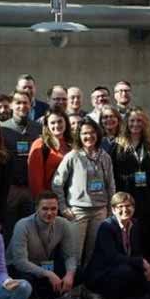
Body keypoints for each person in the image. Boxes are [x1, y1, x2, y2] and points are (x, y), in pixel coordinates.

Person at [52, 118, 115, 290]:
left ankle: (88, 289)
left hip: (100, 211)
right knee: (74, 254)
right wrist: (63, 207)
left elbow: (111, 184)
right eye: (85, 133)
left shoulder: (105, 157)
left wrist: (110, 211)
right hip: (77, 211)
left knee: (93, 254)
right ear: (79, 135)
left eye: (92, 132)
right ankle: (71, 291)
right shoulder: (72, 156)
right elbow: (57, 183)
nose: (89, 136)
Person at [81, 193, 150, 299]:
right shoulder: (107, 226)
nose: (125, 210)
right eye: (120, 206)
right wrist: (140, 263)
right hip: (102, 272)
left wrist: (146, 267)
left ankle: (122, 298)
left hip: (123, 266)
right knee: (125, 271)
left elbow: (137, 251)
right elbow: (112, 257)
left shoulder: (135, 224)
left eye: (129, 206)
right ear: (113, 209)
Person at [9, 192, 78, 299]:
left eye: (53, 209)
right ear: (36, 209)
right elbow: (20, 262)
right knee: (25, 279)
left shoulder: (64, 224)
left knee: (77, 271)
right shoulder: (22, 225)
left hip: (43, 264)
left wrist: (70, 274)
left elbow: (70, 255)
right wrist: (48, 274)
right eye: (45, 208)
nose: (49, 213)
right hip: (21, 268)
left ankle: (50, 298)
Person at [112, 108, 150, 258]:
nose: (135, 124)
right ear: (126, 123)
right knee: (128, 232)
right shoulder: (117, 146)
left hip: (146, 197)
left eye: (139, 120)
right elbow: (113, 173)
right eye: (132, 121)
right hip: (126, 196)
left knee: (145, 232)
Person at [0, 91, 41, 237]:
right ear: (11, 105)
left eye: (25, 103)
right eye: (18, 103)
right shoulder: (2, 128)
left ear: (30, 105)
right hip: (12, 189)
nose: (22, 106)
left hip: (31, 189)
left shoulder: (38, 128)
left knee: (30, 230)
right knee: (9, 229)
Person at [27, 109, 69, 201]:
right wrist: (43, 201)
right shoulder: (40, 144)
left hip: (71, 200)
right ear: (47, 125)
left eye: (60, 121)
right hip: (50, 201)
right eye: (52, 123)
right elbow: (35, 180)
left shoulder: (72, 144)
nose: (57, 125)